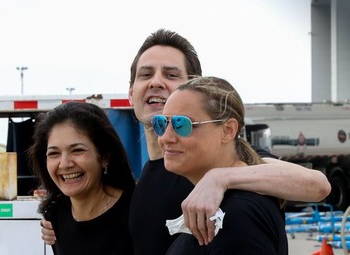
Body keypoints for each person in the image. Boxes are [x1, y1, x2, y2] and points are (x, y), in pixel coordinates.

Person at [41, 29, 331, 254]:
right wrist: (61, 218)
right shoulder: (146, 183)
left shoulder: (217, 164)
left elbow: (317, 184)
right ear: (131, 93)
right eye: (145, 74)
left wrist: (219, 179)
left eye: (171, 74)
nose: (155, 82)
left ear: (194, 87)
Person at [154, 76, 288, 254]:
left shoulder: (239, 214)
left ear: (228, 130)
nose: (165, 138)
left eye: (182, 124)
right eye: (161, 123)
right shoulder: (220, 206)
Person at [28, 102, 135, 254]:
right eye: (54, 153)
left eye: (77, 150)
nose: (64, 164)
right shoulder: (55, 215)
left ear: (104, 156)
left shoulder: (135, 212)